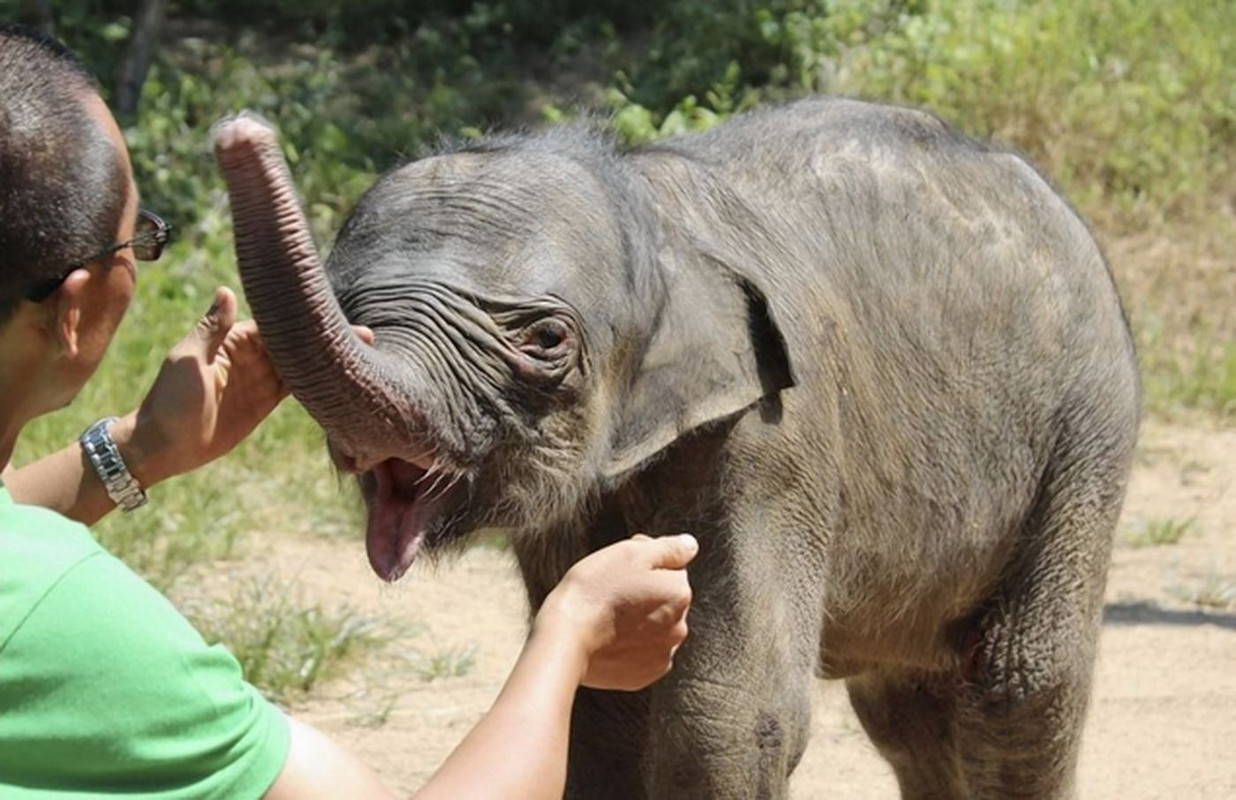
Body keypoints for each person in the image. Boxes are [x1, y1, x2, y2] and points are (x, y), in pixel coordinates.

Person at [0, 24, 696, 799]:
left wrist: (136, 452)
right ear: (73, 312)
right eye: (141, 241)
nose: (141, 252)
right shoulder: (80, 632)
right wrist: (567, 637)